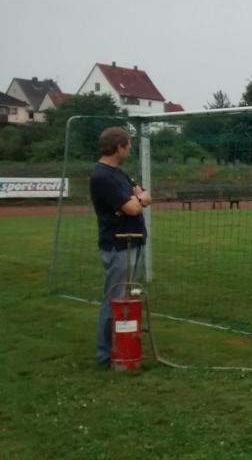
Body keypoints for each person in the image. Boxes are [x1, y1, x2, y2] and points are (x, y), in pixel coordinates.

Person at [89, 127, 151, 368]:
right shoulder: (102, 176)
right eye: (128, 145)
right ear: (118, 147)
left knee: (126, 297)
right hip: (118, 245)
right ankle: (106, 356)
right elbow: (134, 207)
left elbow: (142, 195)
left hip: (132, 241)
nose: (130, 149)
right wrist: (138, 200)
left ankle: (124, 348)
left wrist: (137, 199)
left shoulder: (120, 174)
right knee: (114, 299)